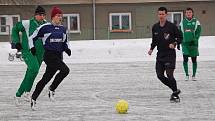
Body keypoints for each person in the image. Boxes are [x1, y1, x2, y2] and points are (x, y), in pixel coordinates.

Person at [29, 6, 71, 110]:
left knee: (46, 78)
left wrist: (66, 49)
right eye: (58, 16)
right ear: (53, 17)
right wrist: (32, 48)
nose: (60, 18)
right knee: (65, 70)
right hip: (49, 55)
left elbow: (64, 42)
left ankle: (33, 98)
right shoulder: (45, 27)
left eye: (61, 16)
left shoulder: (63, 29)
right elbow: (32, 37)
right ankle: (52, 89)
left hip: (58, 56)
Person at [12, 6, 46, 104]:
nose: (42, 16)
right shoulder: (27, 23)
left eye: (43, 15)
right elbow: (15, 29)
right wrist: (16, 41)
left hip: (40, 53)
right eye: (40, 15)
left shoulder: (46, 24)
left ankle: (18, 94)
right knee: (34, 69)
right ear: (35, 15)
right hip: (28, 51)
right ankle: (27, 92)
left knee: (31, 73)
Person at [148, 7, 183, 102]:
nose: (161, 16)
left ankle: (175, 94)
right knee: (160, 75)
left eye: (163, 14)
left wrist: (174, 44)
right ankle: (175, 90)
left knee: (169, 75)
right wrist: (151, 48)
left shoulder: (171, 26)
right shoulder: (155, 27)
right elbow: (154, 40)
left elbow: (180, 37)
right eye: (159, 14)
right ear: (157, 15)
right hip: (160, 55)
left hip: (169, 55)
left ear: (166, 15)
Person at [179, 7, 201, 81]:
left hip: (193, 44)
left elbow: (198, 32)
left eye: (190, 12)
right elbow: (180, 33)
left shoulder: (196, 22)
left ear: (192, 13)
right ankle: (186, 75)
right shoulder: (182, 22)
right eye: (187, 12)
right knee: (185, 59)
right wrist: (180, 42)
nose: (188, 14)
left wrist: (195, 39)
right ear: (185, 14)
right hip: (185, 44)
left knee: (194, 60)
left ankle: (194, 75)